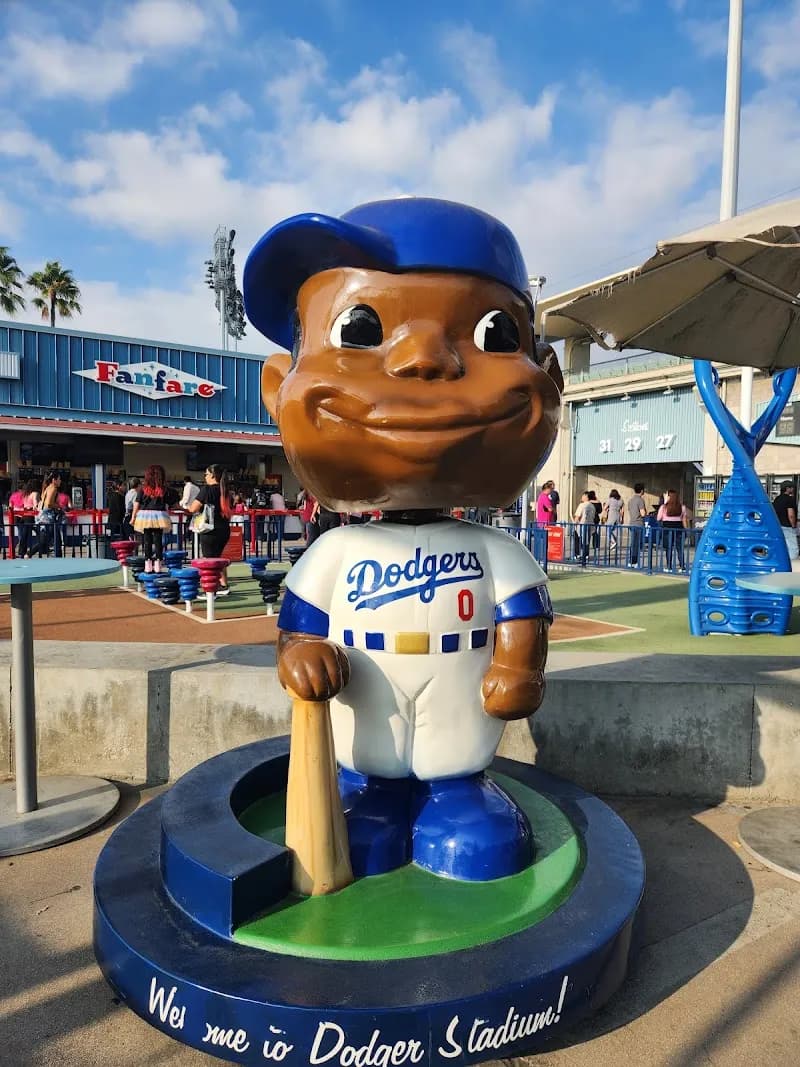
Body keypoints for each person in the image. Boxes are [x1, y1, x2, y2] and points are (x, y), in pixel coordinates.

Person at [246, 195, 563, 880]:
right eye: (360, 329)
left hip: (459, 719)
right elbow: (299, 628)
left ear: (550, 376)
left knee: (475, 829)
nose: (423, 358)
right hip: (367, 722)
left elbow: (524, 614)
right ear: (278, 388)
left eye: (494, 335)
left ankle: (459, 797)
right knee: (364, 820)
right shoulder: (335, 552)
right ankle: (378, 798)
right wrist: (301, 654)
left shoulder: (496, 553)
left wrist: (517, 668)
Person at [186, 464, 233, 594]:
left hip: (209, 529)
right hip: (224, 528)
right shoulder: (225, 491)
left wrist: (185, 505)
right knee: (218, 557)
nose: (205, 477)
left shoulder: (207, 490)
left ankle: (212, 590)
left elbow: (193, 508)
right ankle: (223, 585)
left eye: (206, 474)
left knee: (209, 560)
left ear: (212, 475)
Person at [132, 465, 174, 573]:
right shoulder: (164, 489)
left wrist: (133, 517)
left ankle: (148, 564)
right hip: (159, 515)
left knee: (147, 540)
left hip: (145, 516)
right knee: (158, 540)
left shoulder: (143, 489)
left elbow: (136, 504)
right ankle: (158, 564)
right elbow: (171, 503)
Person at [657, 489, 690, 572]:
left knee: (668, 548)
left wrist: (664, 503)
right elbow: (684, 519)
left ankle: (669, 567)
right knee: (679, 548)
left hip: (667, 528)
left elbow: (658, 518)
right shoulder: (682, 507)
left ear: (669, 497)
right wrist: (687, 530)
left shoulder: (664, 507)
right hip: (679, 528)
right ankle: (682, 566)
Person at [37, 471, 63, 557]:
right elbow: (48, 504)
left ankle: (58, 556)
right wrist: (58, 506)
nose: (60, 481)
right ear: (54, 480)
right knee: (50, 538)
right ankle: (29, 553)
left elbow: (43, 500)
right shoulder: (54, 489)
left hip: (43, 515)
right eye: (59, 479)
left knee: (53, 537)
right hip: (48, 516)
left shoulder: (47, 488)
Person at [10, 480, 36, 558]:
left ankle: (20, 547)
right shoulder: (25, 494)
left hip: (15, 515)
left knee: (20, 531)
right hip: (24, 514)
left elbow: (10, 505)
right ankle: (22, 547)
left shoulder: (13, 495)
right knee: (24, 532)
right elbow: (25, 505)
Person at [773, 481, 798, 561]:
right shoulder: (789, 499)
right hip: (787, 526)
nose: (793, 489)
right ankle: (792, 563)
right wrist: (793, 525)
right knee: (792, 547)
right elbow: (791, 515)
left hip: (778, 526)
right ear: (787, 489)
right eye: (792, 487)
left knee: (781, 544)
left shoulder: (777, 499)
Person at [573, 491, 597, 566]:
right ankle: (586, 555)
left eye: (583, 495)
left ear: (586, 496)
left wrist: (575, 524)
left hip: (581, 525)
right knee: (587, 541)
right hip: (590, 525)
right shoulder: (592, 506)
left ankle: (577, 555)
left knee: (578, 540)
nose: (582, 497)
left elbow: (577, 516)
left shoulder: (582, 505)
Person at [626, 482, 647, 567]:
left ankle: (631, 561)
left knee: (633, 544)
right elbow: (643, 513)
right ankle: (635, 562)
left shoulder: (630, 500)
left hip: (632, 523)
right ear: (641, 491)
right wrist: (645, 513)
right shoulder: (640, 500)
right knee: (637, 544)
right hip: (638, 523)